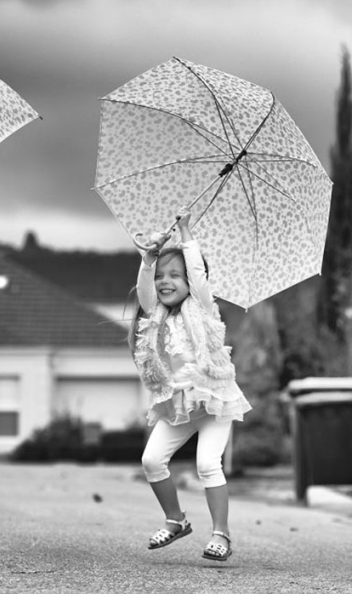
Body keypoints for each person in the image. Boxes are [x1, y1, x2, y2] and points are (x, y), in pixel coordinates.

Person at [129, 209, 251, 562]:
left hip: (213, 399)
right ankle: (176, 520)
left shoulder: (204, 309)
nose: (167, 282)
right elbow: (145, 290)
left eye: (175, 276)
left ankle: (221, 535)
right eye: (162, 277)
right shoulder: (156, 316)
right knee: (151, 460)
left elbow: (198, 276)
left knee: (207, 465)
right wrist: (150, 259)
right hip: (177, 403)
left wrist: (184, 232)